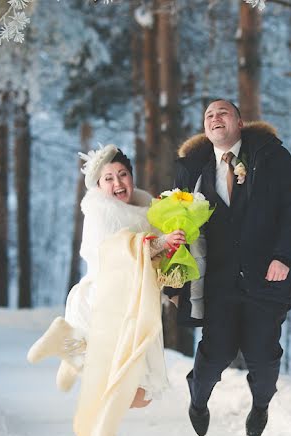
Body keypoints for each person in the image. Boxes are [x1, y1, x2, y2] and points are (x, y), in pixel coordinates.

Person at [172, 99, 291, 436]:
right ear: (205, 128)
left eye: (223, 112)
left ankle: (261, 405)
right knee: (214, 354)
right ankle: (198, 399)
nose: (215, 118)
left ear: (240, 121)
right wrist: (173, 281)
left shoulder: (272, 157)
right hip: (217, 283)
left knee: (263, 359)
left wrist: (284, 257)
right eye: (209, 115)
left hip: (265, 277)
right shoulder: (192, 168)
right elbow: (176, 223)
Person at [27, 144, 185, 408]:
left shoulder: (148, 208)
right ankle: (70, 350)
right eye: (108, 178)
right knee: (129, 391)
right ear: (99, 186)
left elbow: (152, 257)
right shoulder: (102, 214)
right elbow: (117, 253)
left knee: (142, 396)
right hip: (108, 301)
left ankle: (70, 352)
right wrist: (160, 243)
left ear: (132, 175)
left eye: (123, 174)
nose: (118, 183)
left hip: (135, 304)